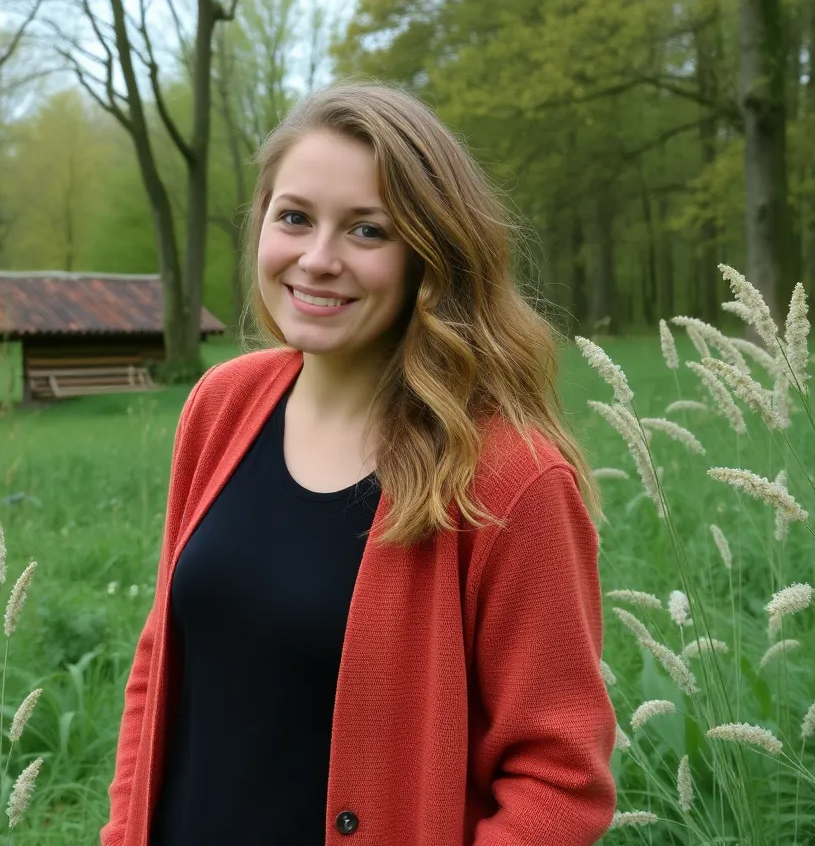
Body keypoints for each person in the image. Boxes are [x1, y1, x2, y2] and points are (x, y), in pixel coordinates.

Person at [101, 82, 617, 846]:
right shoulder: (221, 406)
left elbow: (560, 777)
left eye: (367, 231)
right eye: (295, 217)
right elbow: (161, 658)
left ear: (429, 257)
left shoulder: (510, 478)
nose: (317, 259)